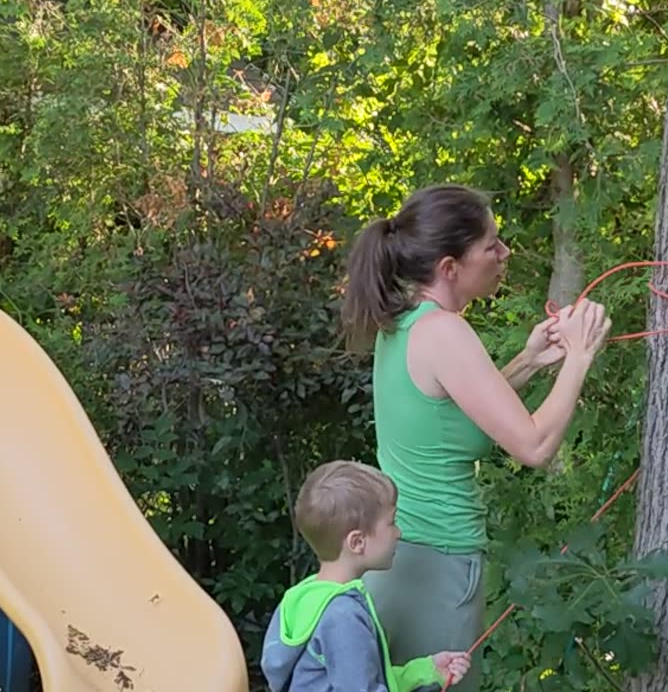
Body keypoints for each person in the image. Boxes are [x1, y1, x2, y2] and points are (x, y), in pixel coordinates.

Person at [340, 183, 613, 692]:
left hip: (398, 561)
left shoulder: (405, 323)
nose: (504, 253)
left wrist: (530, 360)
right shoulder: (445, 333)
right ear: (450, 267)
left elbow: (452, 417)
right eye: (491, 245)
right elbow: (532, 445)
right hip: (436, 564)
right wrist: (579, 357)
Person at [260, 460, 472, 692]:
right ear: (357, 542)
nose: (398, 533)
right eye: (392, 523)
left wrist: (426, 671)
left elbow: (364, 678)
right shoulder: (343, 616)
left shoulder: (306, 597)